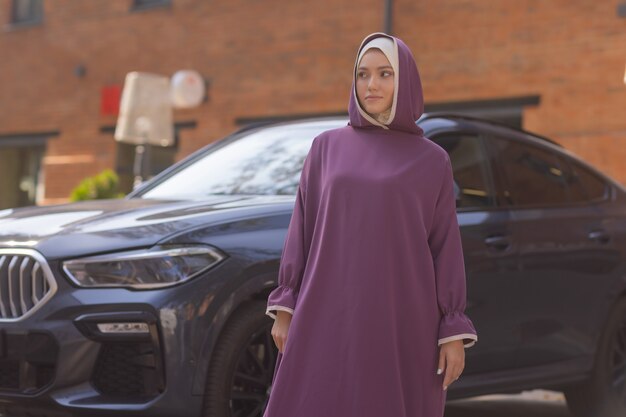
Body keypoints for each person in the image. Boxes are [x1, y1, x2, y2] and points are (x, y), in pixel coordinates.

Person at [263, 32, 478, 417]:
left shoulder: (433, 160)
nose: (372, 84)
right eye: (362, 74)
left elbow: (444, 246)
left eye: (384, 73)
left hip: (402, 313)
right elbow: (302, 228)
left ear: (405, 79)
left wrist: (452, 328)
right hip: (327, 307)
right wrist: (285, 305)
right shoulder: (325, 148)